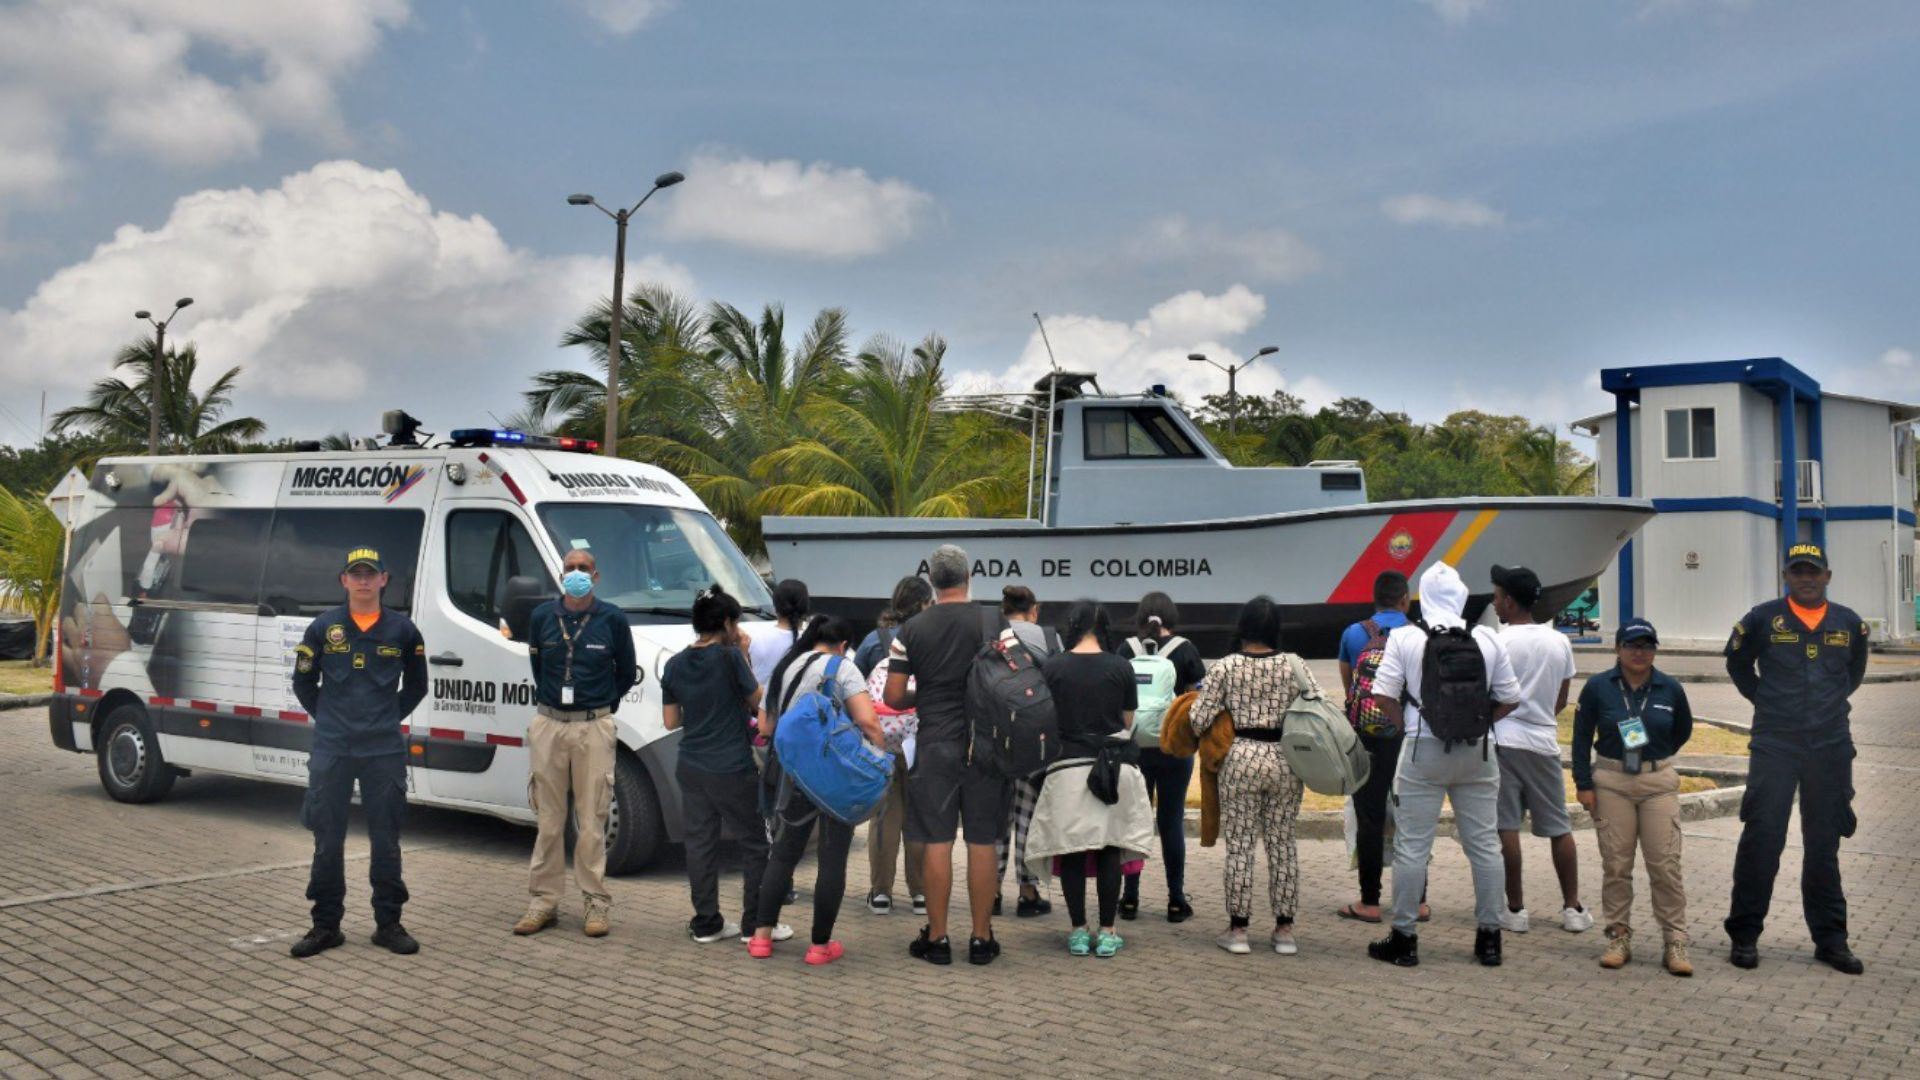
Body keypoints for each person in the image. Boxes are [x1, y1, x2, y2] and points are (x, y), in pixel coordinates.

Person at [1365, 561, 1523, 969]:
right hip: (1478, 751)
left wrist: (1409, 726)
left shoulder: (1404, 637)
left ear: (1423, 597)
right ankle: (1489, 938)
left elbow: (1381, 696)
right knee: (1484, 845)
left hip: (1423, 750)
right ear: (1462, 596)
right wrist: (1481, 723)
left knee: (1413, 846)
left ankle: (1404, 938)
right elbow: (1510, 697)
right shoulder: (1487, 637)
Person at [1723, 543, 1871, 974]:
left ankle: (1831, 940)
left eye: (1814, 571)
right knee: (1762, 839)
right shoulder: (1761, 619)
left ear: (1828, 576)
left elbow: (1853, 675)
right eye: (1798, 571)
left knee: (1824, 845)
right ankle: (1745, 935)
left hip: (1829, 746)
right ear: (1786, 575)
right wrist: (1766, 702)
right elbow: (1737, 665)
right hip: (1776, 744)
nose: (1806, 578)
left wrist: (1827, 707)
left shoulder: (1850, 624)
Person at [287, 547, 428, 959]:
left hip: (382, 749)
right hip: (333, 748)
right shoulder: (323, 628)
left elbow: (417, 687)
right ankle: (325, 926)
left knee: (386, 840)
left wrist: (385, 719)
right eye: (356, 574)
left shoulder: (403, 631)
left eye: (371, 573)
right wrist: (330, 719)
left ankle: (389, 924)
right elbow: (303, 683)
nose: (363, 580)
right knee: (327, 840)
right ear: (343, 581)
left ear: (384, 580)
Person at [884, 544, 1009, 965]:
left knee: (937, 839)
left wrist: (931, 694)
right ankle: (981, 938)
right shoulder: (995, 622)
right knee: (982, 840)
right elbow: (1014, 680)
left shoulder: (911, 631)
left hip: (935, 742)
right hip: (985, 744)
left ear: (933, 582)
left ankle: (937, 939)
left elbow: (895, 696)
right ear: (968, 577)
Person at [513, 548, 638, 939]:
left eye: (584, 568)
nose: (577, 574)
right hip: (549, 723)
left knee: (592, 820)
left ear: (596, 576)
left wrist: (600, 707)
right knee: (549, 821)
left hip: (593, 725)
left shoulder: (613, 619)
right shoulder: (541, 618)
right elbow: (539, 667)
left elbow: (625, 672)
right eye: (570, 568)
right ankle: (543, 902)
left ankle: (595, 904)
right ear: (561, 575)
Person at [749, 617, 886, 965]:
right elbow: (868, 720)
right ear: (843, 645)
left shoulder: (786, 666)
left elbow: (765, 726)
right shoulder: (843, 668)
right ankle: (819, 946)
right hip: (834, 779)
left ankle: (761, 938)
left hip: (793, 776)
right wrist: (880, 753)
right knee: (832, 858)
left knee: (783, 854)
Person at [1189, 596, 1320, 956]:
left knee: (1241, 845)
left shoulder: (1226, 667)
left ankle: (1238, 929)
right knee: (1282, 844)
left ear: (1242, 627)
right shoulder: (1295, 665)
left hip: (1241, 757)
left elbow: (1198, 719)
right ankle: (1284, 930)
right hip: (1285, 759)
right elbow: (1318, 708)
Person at [1024, 600, 1153, 957]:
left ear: (1072, 625)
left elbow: (1044, 720)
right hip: (1112, 769)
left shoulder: (1053, 667)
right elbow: (1127, 722)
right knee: (1110, 847)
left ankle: (1079, 931)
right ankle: (1108, 931)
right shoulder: (1121, 666)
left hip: (1066, 769)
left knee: (1074, 851)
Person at [1573, 618, 1695, 975]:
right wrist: (1584, 784)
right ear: (1618, 649)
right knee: (1616, 863)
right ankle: (1618, 935)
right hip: (1612, 782)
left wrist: (1653, 756)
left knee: (1665, 864)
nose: (1639, 652)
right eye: (1632, 645)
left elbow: (1681, 731)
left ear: (1655, 650)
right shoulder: (1598, 687)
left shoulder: (1670, 688)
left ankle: (1675, 941)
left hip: (1657, 783)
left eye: (1646, 646)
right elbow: (1581, 739)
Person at [662, 584, 775, 944]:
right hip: (730, 766)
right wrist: (742, 655)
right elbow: (758, 702)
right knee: (755, 844)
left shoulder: (675, 663)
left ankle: (707, 923)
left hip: (691, 765)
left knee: (700, 845)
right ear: (726, 623)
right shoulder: (729, 659)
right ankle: (754, 925)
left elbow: (669, 721)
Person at [1489, 565, 1591, 935]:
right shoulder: (1559, 641)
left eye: (1498, 596)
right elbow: (1560, 700)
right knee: (1558, 827)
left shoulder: (1498, 642)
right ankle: (1573, 907)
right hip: (1543, 743)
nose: (1495, 602)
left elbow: (1493, 695)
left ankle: (1515, 910)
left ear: (1511, 602)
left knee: (1506, 827)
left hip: (1504, 741)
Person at [1335, 571, 1422, 925]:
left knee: (1369, 816)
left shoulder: (1354, 633)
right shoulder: (1419, 635)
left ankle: (1369, 901)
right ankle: (1420, 901)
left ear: (1375, 598)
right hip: (1409, 735)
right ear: (1405, 600)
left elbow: (1348, 682)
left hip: (1367, 737)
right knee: (1414, 814)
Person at [1115, 592, 1206, 923]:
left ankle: (1129, 898)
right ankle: (1175, 900)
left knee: (1133, 820)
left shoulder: (1126, 650)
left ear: (1141, 617)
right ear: (1172, 617)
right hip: (1174, 749)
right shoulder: (1186, 649)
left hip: (1133, 749)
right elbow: (1200, 695)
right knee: (1171, 821)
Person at [855, 575, 933, 915]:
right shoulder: (930, 638)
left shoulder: (875, 640)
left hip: (880, 742)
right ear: (924, 605)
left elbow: (854, 685)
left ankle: (881, 893)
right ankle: (919, 893)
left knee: (885, 815)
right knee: (918, 816)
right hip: (921, 740)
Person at [996, 584, 1059, 919]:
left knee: (994, 818)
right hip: (1035, 740)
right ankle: (1028, 893)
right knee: (1027, 817)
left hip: (994, 737)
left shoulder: (990, 634)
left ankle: (989, 892)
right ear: (1034, 610)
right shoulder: (1048, 639)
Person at [748, 578, 812, 690]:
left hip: (762, 705)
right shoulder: (815, 641)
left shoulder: (754, 639)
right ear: (806, 606)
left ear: (775, 606)